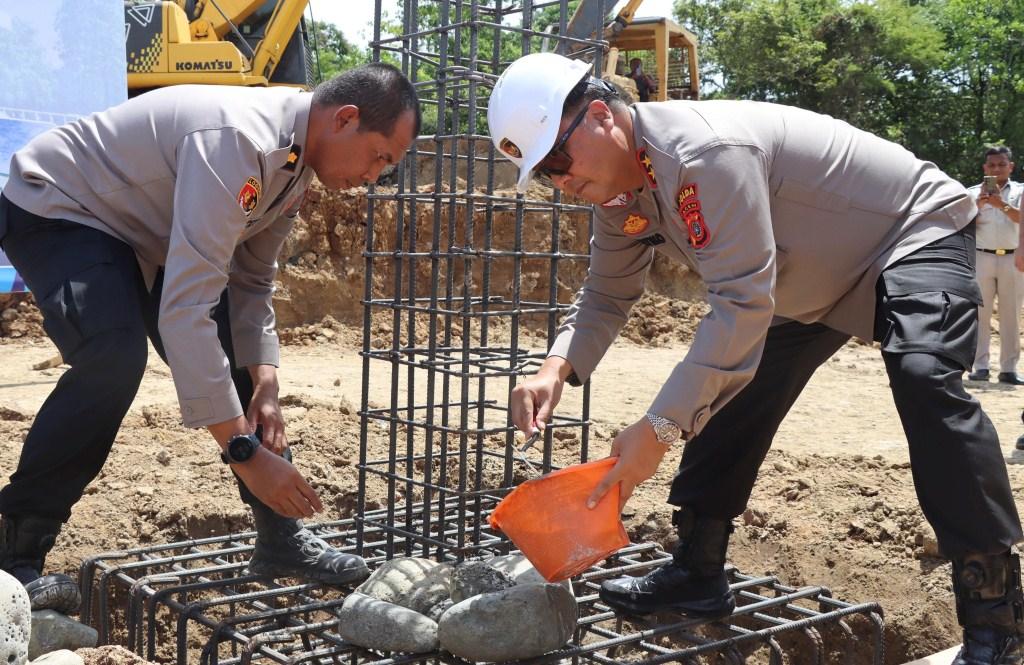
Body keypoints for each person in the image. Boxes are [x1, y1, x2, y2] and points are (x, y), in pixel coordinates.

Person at [488, 52, 1024, 664]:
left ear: (601, 117)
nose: (560, 181)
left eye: (558, 159)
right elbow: (608, 291)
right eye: (543, 173)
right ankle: (698, 569)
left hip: (912, 234)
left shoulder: (702, 154)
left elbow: (740, 302)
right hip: (805, 281)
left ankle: (996, 620)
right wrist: (556, 365)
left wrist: (658, 429)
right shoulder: (616, 191)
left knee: (925, 378)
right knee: (729, 387)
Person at [0, 62, 419, 613]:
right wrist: (242, 450)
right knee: (112, 354)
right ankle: (15, 554)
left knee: (239, 361)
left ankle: (280, 539)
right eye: (381, 157)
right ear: (345, 119)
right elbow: (185, 312)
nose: (376, 176)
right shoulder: (239, 144)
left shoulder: (294, 165)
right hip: (63, 205)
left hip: (140, 227)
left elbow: (250, 281)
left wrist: (264, 380)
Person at [966, 146, 1024, 385]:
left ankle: (1009, 368)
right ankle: (979, 366)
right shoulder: (972, 193)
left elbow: (1021, 218)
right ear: (985, 168)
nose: (997, 169)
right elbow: (962, 221)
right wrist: (978, 206)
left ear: (1010, 166)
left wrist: (1001, 205)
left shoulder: (1021, 191)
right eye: (992, 165)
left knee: (1011, 314)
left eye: (1001, 164)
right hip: (982, 257)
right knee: (980, 313)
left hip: (1013, 257)